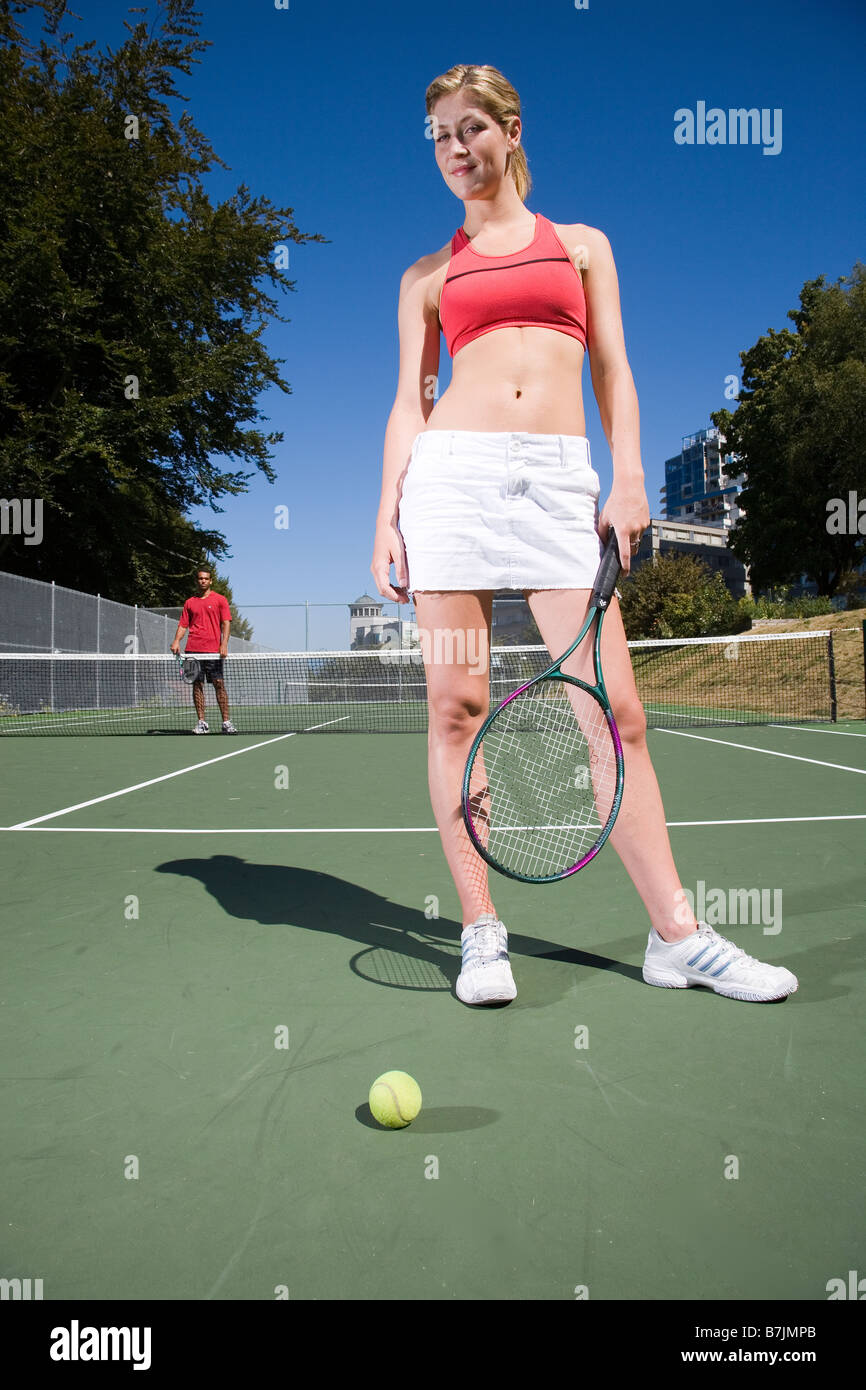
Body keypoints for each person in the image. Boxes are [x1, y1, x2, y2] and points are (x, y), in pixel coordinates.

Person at [370, 64, 797, 1007]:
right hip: (450, 491)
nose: (454, 148)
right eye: (438, 134)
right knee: (455, 711)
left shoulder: (585, 246)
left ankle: (676, 935)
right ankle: (483, 934)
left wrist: (632, 472)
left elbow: (614, 369)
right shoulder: (425, 278)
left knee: (618, 715)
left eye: (471, 127)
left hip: (562, 487)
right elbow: (410, 403)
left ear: (511, 130)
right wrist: (386, 515)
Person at [170, 567, 237, 734]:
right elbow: (183, 625)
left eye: (206, 578)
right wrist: (176, 641)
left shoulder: (220, 600)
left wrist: (224, 644)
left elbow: (226, 623)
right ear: (197, 580)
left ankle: (226, 722)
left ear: (210, 581)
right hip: (193, 650)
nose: (203, 581)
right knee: (197, 685)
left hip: (214, 651)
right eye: (200, 578)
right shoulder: (189, 602)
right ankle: (201, 723)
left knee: (219, 684)